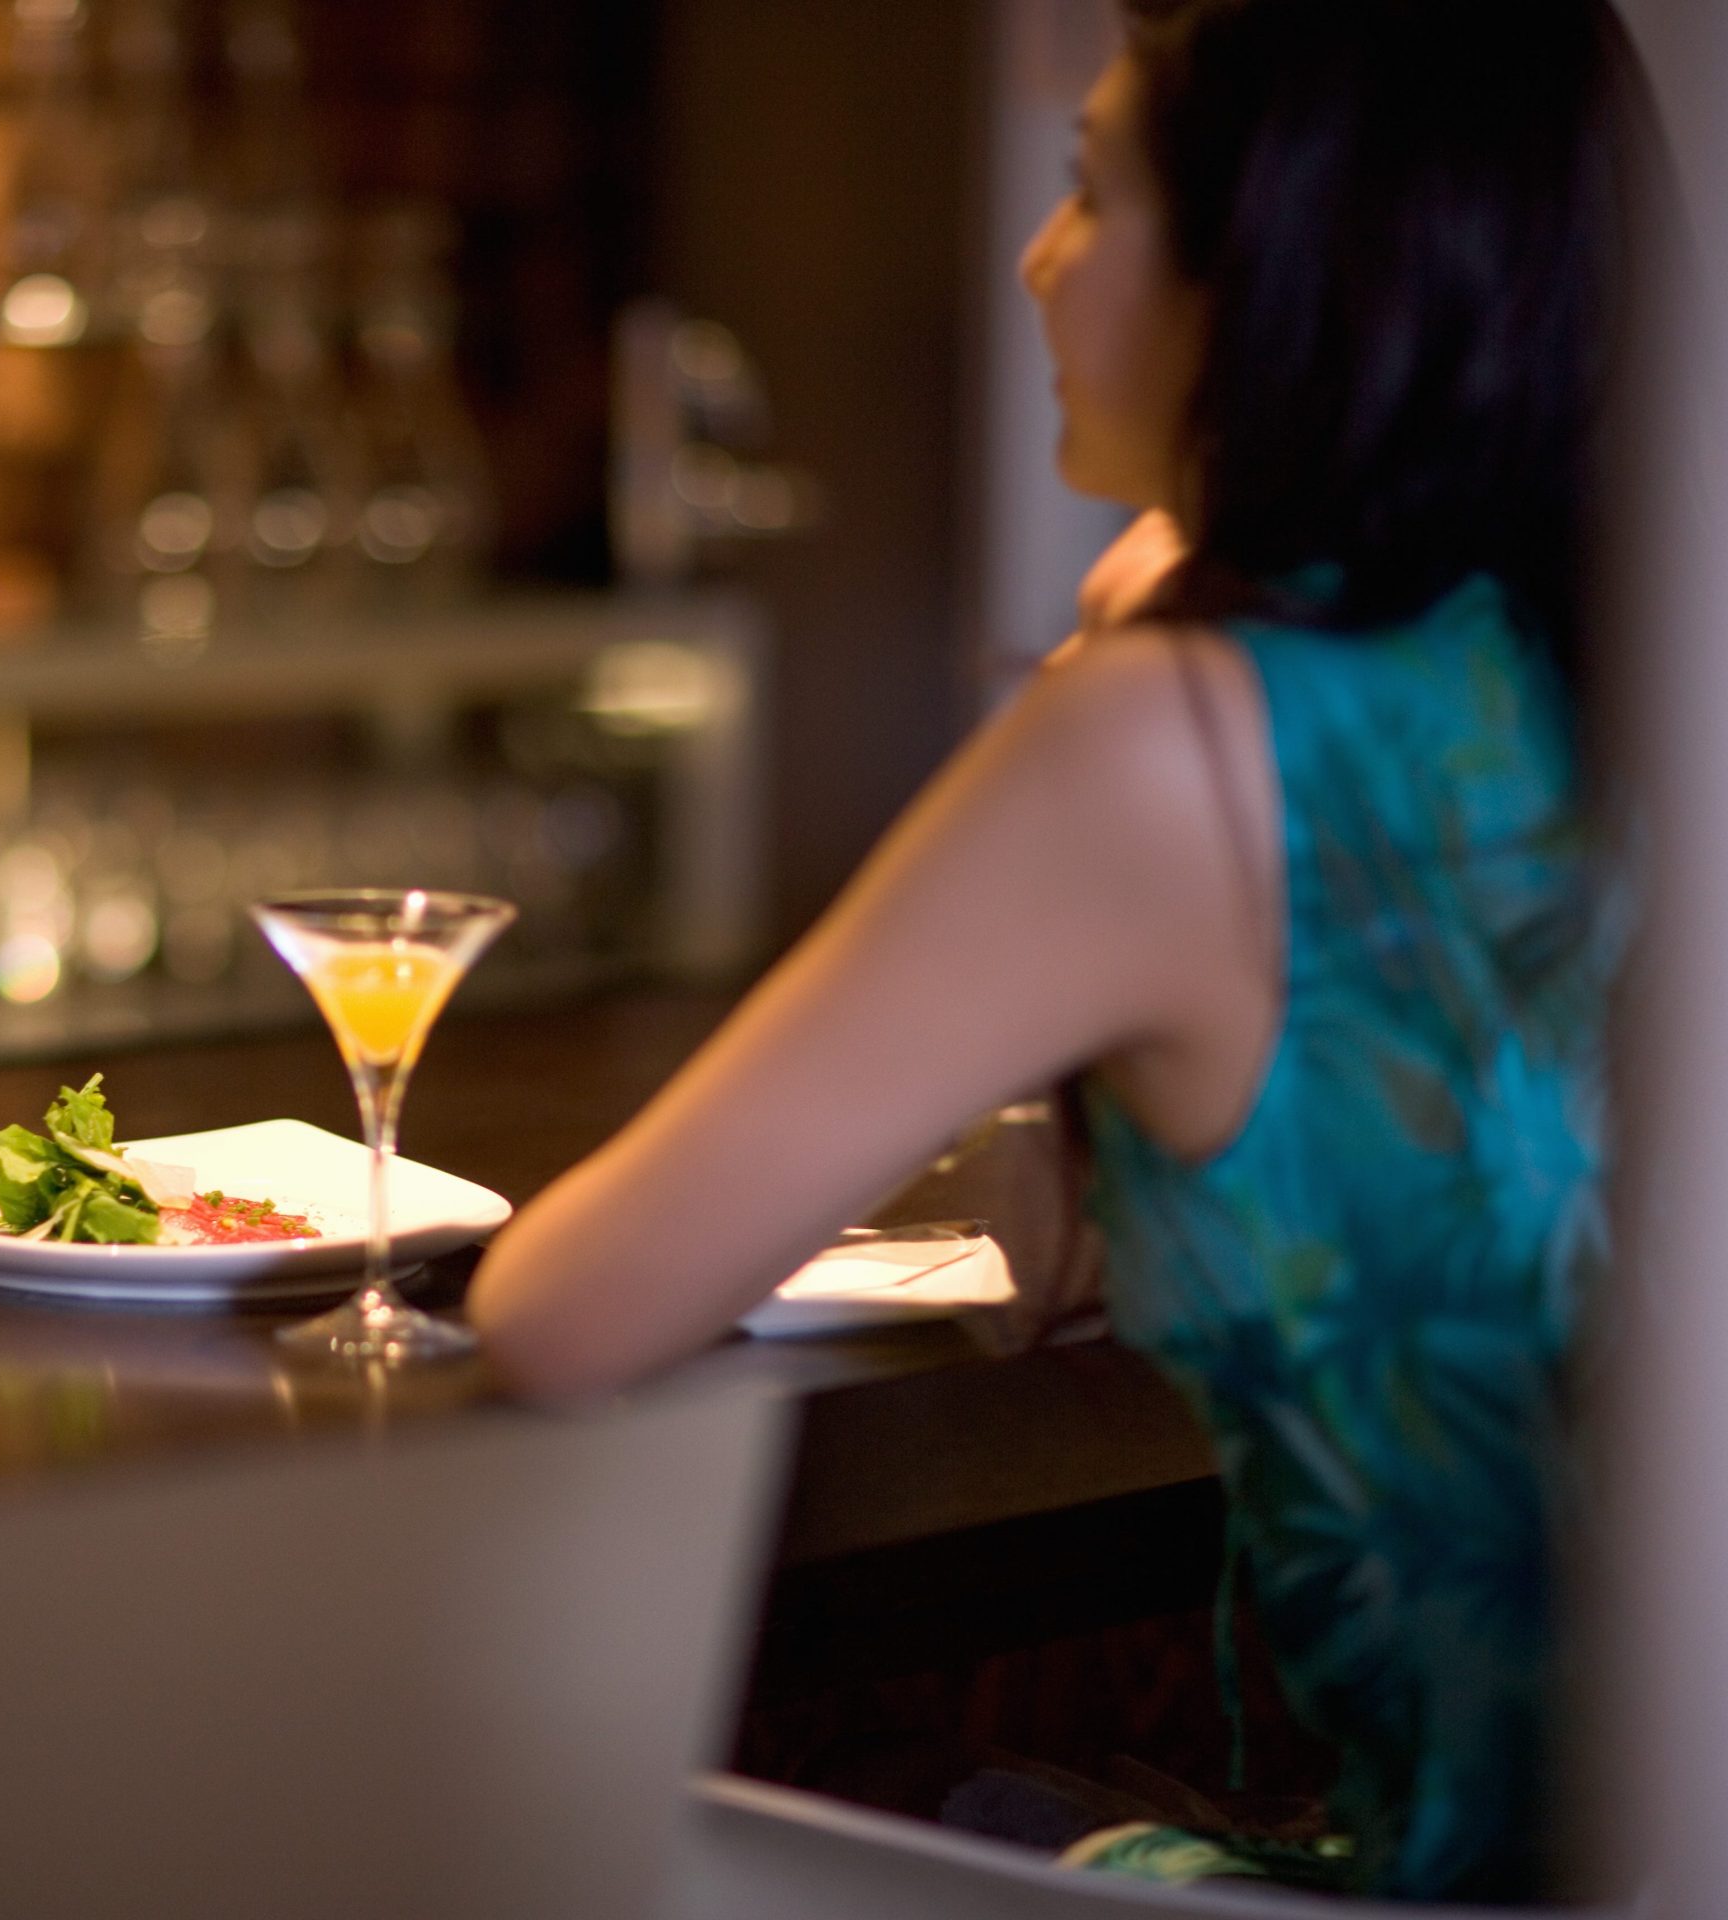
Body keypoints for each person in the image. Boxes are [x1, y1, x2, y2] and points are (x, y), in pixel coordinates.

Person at [469, 0, 1650, 1900]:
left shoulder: (1175, 739)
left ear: (1276, 273)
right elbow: (1071, 1241)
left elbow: (563, 1314)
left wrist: (1123, 658)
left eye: (1095, 189)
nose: (1036, 258)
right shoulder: (1597, 652)